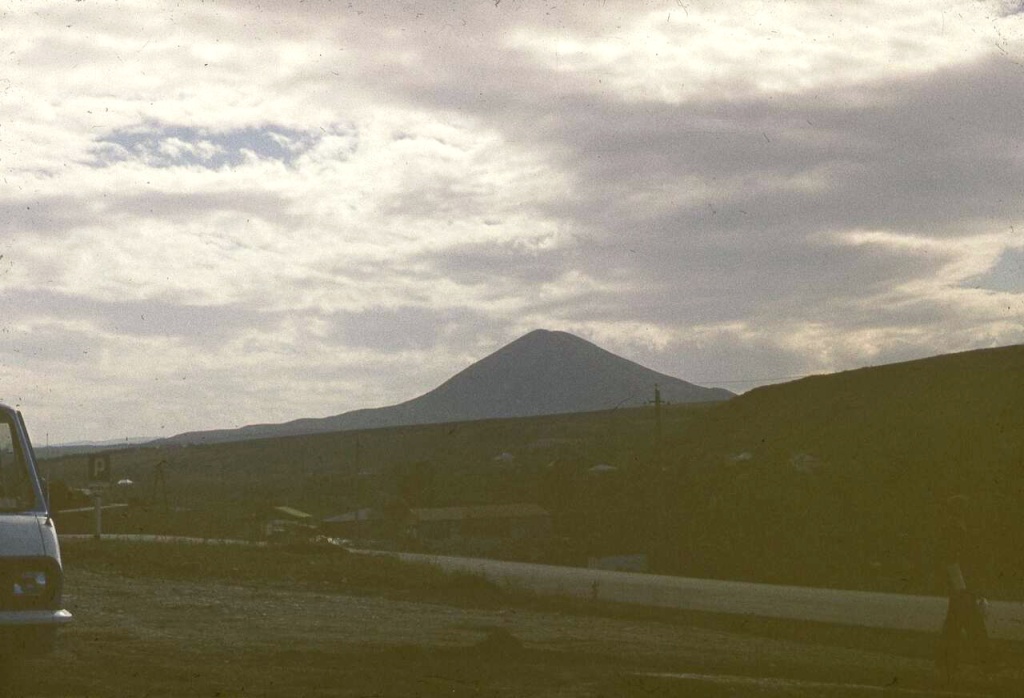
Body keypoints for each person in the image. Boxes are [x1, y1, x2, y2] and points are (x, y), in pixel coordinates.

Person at [935, 494, 990, 679]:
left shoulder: (956, 529)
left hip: (959, 584)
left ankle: (945, 663)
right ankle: (987, 661)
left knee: (954, 624)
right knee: (973, 622)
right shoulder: (954, 530)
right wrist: (962, 587)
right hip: (960, 585)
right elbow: (952, 560)